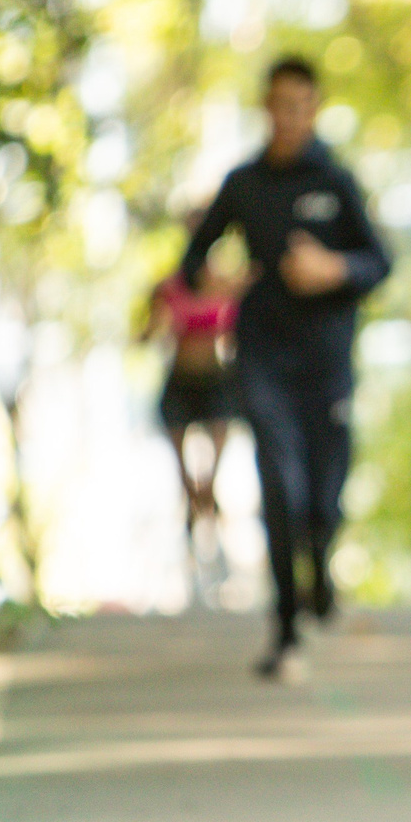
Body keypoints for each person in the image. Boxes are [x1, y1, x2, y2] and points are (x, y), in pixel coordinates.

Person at [180, 56, 392, 679]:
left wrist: (335, 269)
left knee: (322, 498)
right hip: (263, 357)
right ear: (265, 107)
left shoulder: (337, 179)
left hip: (327, 364)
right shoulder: (243, 182)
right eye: (279, 105)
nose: (289, 117)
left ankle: (320, 560)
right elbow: (194, 258)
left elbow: (380, 261)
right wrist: (211, 278)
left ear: (315, 108)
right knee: (278, 486)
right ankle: (285, 631)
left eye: (301, 105)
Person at [144, 255, 244, 597]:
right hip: (180, 384)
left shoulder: (228, 284)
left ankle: (217, 548)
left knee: (212, 475)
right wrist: (156, 316)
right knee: (184, 478)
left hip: (217, 383)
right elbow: (146, 334)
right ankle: (190, 554)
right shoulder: (170, 287)